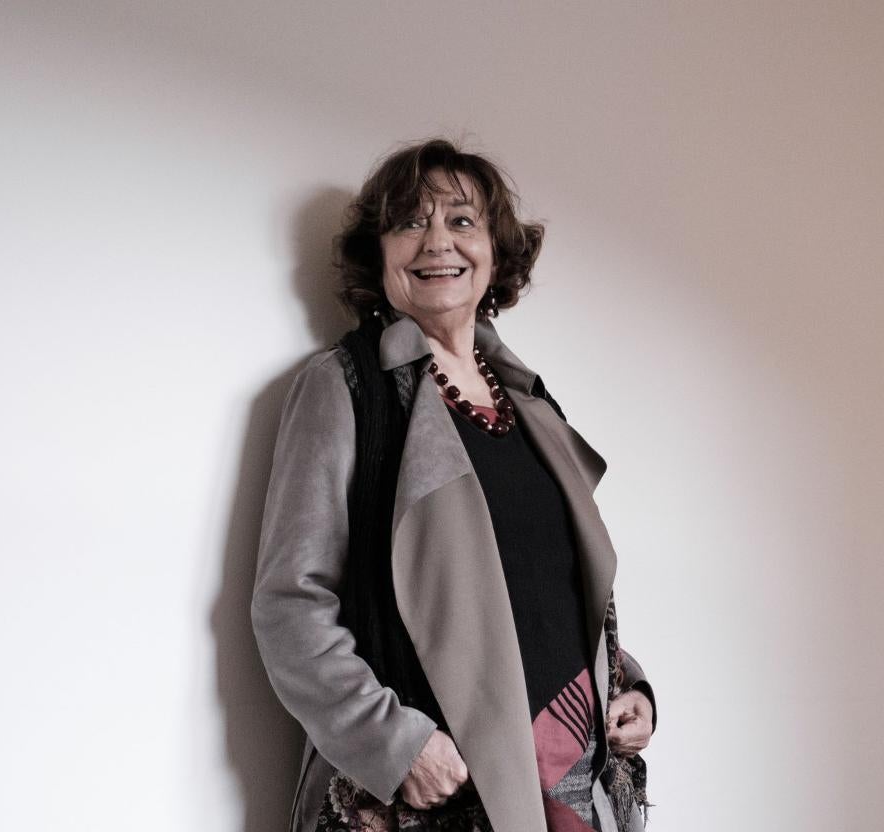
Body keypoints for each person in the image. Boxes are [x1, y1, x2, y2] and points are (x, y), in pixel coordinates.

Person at [251, 139, 655, 832]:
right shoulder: (345, 389)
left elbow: (545, 593)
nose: (437, 241)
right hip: (441, 796)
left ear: (495, 251)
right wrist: (393, 743)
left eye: (462, 221)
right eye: (410, 221)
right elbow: (291, 602)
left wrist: (629, 683)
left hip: (572, 780)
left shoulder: (531, 404)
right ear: (379, 253)